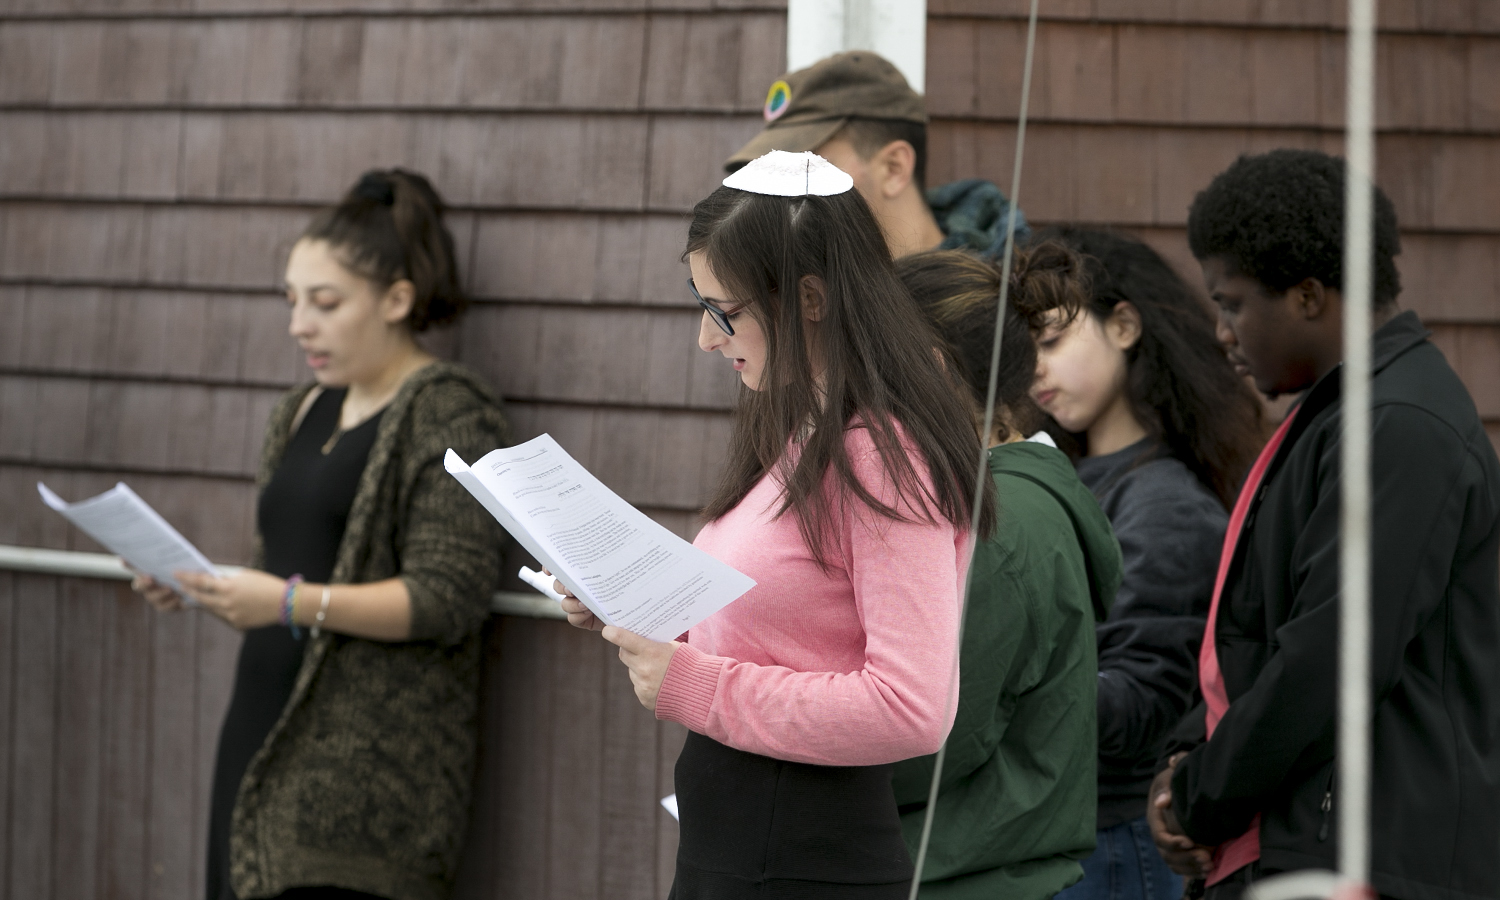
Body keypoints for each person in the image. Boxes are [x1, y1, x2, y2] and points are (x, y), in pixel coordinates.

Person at [557, 151, 990, 898]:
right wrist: (637, 610)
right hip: (746, 840)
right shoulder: (801, 426)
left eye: (724, 311)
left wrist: (699, 685)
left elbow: (912, 708)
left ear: (810, 297)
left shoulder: (883, 453)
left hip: (802, 856)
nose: (707, 338)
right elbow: (785, 631)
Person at [132, 169, 511, 900]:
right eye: (292, 301)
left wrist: (284, 604)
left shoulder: (451, 412)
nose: (299, 324)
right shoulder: (301, 409)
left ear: (398, 299)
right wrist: (201, 584)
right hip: (258, 732)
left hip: (365, 776)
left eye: (325, 303)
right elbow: (283, 569)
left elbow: (446, 597)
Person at [1148, 148, 1500, 900]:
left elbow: (1326, 661)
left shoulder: (1398, 424)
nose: (1221, 332)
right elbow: (1246, 639)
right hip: (1296, 844)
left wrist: (1200, 793)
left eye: (1233, 302)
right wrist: (1182, 764)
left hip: (1372, 860)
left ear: (1308, 296)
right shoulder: (1337, 416)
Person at [1025, 227, 1265, 900]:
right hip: (1063, 840)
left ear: (1124, 324)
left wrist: (994, 676)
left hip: (1110, 843)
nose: (1033, 368)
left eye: (1050, 341)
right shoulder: (1067, 474)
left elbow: (1140, 707)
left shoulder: (1166, 504)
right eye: (1023, 351)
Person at [890, 245, 1123, 899]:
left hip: (963, 877)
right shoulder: (1002, 502)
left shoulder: (1001, 525)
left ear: (930, 371)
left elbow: (935, 736)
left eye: (861, 364)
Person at [725, 51, 1027, 258]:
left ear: (893, 168)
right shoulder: (807, 308)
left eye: (808, 168)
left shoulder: (1022, 305)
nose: (780, 194)